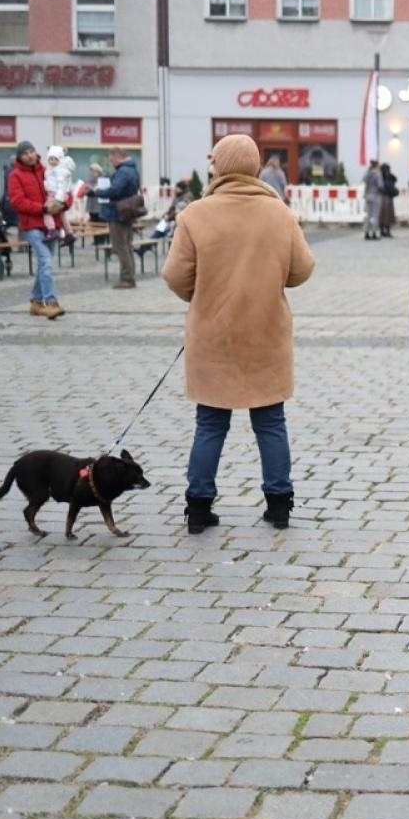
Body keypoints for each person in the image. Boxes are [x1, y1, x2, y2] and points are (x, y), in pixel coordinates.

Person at [163, 135, 316, 534]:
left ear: (219, 166)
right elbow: (302, 269)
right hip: (265, 332)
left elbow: (176, 276)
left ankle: (198, 507)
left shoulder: (195, 214)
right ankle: (279, 505)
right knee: (271, 422)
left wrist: (201, 294)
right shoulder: (279, 214)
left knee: (210, 424)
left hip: (213, 335)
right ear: (254, 165)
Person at [7, 141, 65, 319]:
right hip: (32, 225)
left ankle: (36, 301)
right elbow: (17, 202)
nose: (30, 156)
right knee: (46, 261)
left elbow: (63, 189)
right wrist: (43, 209)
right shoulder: (15, 175)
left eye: (32, 151)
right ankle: (51, 302)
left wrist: (62, 204)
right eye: (25, 153)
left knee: (43, 265)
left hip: (52, 225)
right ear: (20, 157)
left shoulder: (47, 170)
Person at [103, 147, 141, 289]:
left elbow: (115, 190)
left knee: (120, 246)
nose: (111, 162)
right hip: (128, 212)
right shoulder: (132, 170)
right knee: (127, 245)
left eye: (111, 159)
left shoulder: (123, 171)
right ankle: (130, 276)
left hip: (118, 212)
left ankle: (127, 278)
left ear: (118, 156)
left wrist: (99, 192)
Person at [362, 158, 386, 241]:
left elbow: (364, 180)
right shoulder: (378, 173)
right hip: (376, 196)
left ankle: (366, 232)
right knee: (375, 215)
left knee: (368, 215)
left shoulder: (368, 172)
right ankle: (374, 233)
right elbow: (380, 185)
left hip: (368, 195)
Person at [378, 161, 397, 238]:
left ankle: (382, 230)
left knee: (383, 215)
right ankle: (387, 230)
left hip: (382, 197)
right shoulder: (389, 177)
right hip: (388, 197)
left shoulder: (381, 176)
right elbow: (395, 179)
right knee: (388, 215)